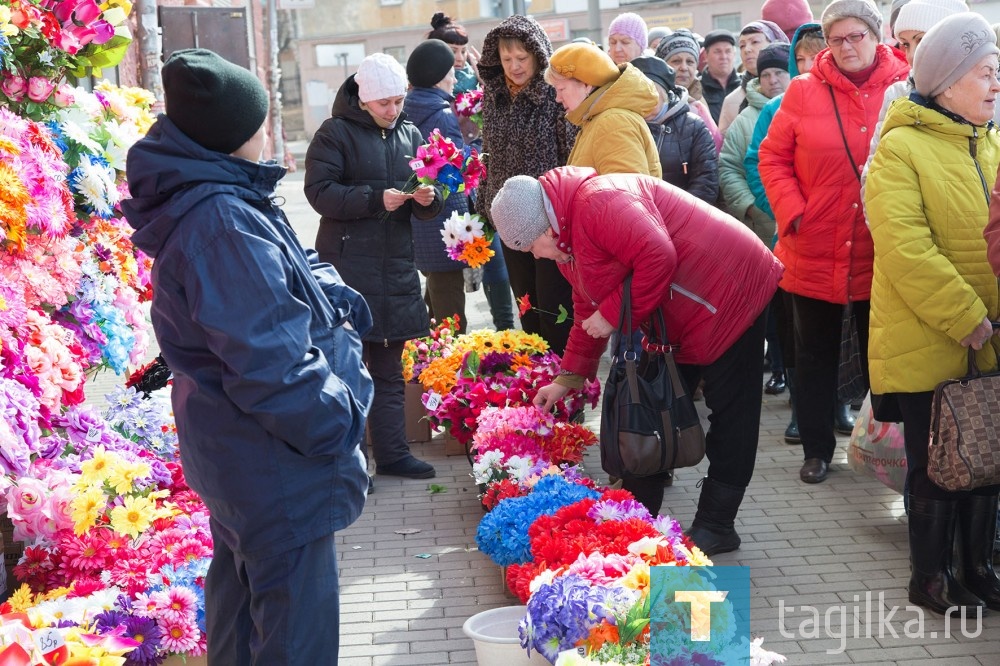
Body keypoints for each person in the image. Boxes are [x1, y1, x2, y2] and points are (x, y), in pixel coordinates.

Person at [123, 49, 373, 662]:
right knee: (293, 636)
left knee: (243, 611)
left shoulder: (222, 201)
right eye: (260, 122)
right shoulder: (223, 221)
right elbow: (273, 365)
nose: (267, 133)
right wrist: (340, 419)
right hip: (274, 460)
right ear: (236, 135)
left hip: (244, 455)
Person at [488, 165, 783, 556]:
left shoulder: (599, 202)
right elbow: (585, 307)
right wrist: (569, 378)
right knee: (653, 404)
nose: (536, 257)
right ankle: (636, 518)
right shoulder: (568, 236)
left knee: (731, 411)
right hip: (684, 308)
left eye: (530, 248)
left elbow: (658, 257)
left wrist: (611, 314)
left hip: (732, 287)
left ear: (543, 228)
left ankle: (717, 522)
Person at [869, 12, 1000, 614]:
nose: (996, 84)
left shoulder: (991, 140)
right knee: (936, 461)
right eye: (985, 73)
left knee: (985, 453)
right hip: (929, 334)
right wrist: (967, 314)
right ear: (947, 82)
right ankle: (929, 577)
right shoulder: (900, 148)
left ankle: (977, 567)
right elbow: (905, 249)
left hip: (990, 336)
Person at [759, 0, 910, 484]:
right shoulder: (804, 90)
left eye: (856, 37)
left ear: (876, 36)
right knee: (813, 354)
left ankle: (885, 451)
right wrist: (794, 212)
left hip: (880, 247)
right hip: (813, 244)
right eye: (837, 39)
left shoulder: (904, 86)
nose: (847, 47)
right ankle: (817, 448)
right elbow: (772, 158)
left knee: (881, 355)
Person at [305, 52, 442, 480]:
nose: (393, 109)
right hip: (347, 269)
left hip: (397, 267)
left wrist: (427, 200)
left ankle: (394, 454)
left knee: (388, 371)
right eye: (384, 102)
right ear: (363, 99)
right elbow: (319, 192)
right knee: (347, 373)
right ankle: (353, 467)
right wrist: (373, 198)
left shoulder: (412, 134)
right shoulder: (335, 134)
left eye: (398, 100)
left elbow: (431, 189)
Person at [742, 23, 826, 444]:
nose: (813, 65)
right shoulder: (780, 105)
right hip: (794, 233)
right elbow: (759, 163)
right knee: (796, 330)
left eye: (819, 54)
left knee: (840, 332)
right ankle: (802, 409)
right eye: (805, 58)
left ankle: (839, 406)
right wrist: (788, 211)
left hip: (844, 238)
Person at [476, 14, 577, 353]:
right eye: (507, 60)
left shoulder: (554, 94)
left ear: (538, 55)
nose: (515, 67)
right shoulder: (493, 96)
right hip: (509, 219)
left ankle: (565, 383)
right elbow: (487, 153)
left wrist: (563, 210)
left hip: (549, 219)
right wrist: (484, 203)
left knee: (555, 304)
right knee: (526, 303)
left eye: (522, 58)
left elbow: (571, 154)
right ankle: (536, 377)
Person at [426, 12, 516, 332]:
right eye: (452, 53)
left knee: (492, 255)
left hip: (480, 176)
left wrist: (485, 82)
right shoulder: (426, 95)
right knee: (446, 268)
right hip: (450, 189)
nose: (460, 60)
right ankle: (440, 337)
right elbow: (430, 158)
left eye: (463, 52)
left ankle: (505, 327)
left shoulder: (476, 80)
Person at [861, 0, 969, 192]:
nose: (911, 54)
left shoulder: (989, 92)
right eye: (905, 44)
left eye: (921, 40)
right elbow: (875, 173)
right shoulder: (897, 95)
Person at [404, 39, 470, 333]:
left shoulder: (407, 110)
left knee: (435, 307)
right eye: (450, 71)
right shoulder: (442, 115)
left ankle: (432, 369)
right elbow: (455, 171)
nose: (455, 77)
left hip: (423, 223)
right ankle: (456, 375)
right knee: (451, 317)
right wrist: (476, 146)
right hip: (446, 224)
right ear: (437, 77)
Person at [545, 42, 661, 177]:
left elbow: (626, 193)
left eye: (561, 89)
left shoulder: (612, 122)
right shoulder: (597, 120)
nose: (557, 98)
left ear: (586, 85)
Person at [720, 42, 791, 246]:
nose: (772, 80)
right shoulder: (743, 121)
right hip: (762, 229)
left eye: (779, 72)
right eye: (766, 75)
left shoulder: (808, 110)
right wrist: (750, 206)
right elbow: (729, 168)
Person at [631, 55, 719, 203]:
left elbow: (706, 183)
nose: (645, 99)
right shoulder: (622, 124)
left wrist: (677, 216)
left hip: (684, 217)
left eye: (652, 92)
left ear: (666, 94)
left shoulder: (694, 127)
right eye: (638, 93)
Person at [656, 29, 723, 153]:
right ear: (663, 66)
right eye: (676, 61)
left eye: (690, 62)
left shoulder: (700, 105)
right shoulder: (652, 102)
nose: (684, 67)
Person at [718, 20, 789, 136]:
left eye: (755, 42)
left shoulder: (802, 90)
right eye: (742, 45)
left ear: (776, 43)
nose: (747, 49)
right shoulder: (732, 102)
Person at [699, 29, 740, 125]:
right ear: (705, 55)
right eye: (717, 52)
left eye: (728, 51)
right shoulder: (697, 89)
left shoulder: (744, 86)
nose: (723, 56)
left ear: (734, 54)